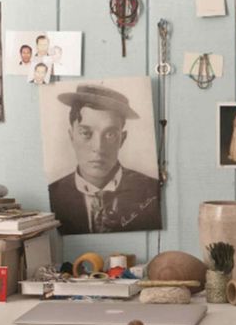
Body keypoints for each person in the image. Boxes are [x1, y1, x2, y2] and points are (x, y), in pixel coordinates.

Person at [47, 84, 161, 234]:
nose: (98, 147)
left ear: (122, 139)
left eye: (110, 134)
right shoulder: (53, 196)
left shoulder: (151, 191)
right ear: (71, 136)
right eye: (86, 133)